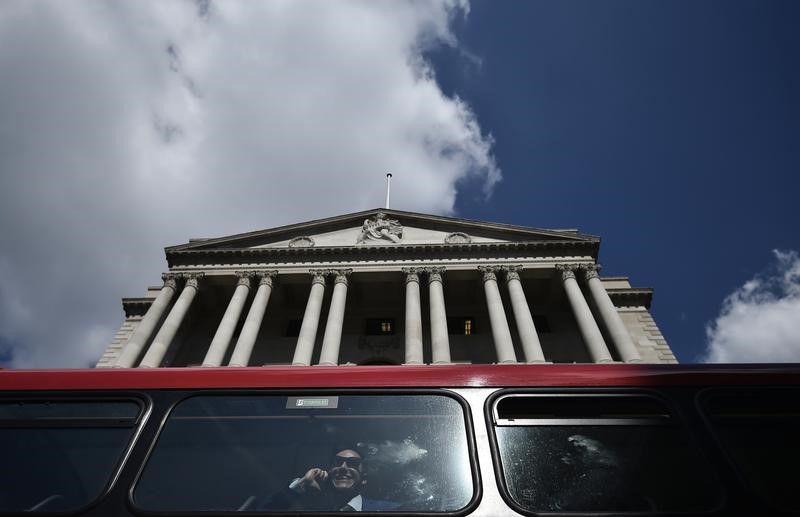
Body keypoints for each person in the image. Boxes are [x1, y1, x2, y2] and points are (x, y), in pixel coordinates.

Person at [258, 447, 399, 512]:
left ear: (364, 479)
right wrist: (301, 484)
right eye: (337, 463)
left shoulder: (390, 510)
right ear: (329, 473)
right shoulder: (308, 510)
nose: (343, 467)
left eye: (353, 464)